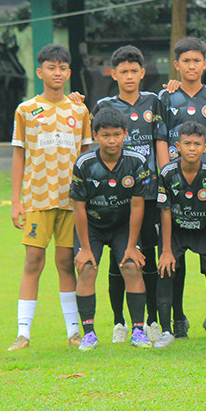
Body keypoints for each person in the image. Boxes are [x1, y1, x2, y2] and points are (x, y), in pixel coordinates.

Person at [7, 44, 92, 351]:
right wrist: (17, 201)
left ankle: (73, 333)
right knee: (33, 261)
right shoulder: (26, 110)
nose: (57, 73)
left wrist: (88, 198)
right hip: (37, 200)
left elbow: (85, 155)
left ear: (69, 73)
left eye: (63, 68)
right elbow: (19, 156)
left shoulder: (79, 111)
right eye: (51, 68)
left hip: (71, 202)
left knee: (66, 262)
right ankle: (23, 334)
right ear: (40, 72)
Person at [158, 37, 206, 338]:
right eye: (186, 61)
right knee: (171, 263)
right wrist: (168, 171)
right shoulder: (166, 97)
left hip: (205, 183)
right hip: (175, 182)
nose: (191, 66)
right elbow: (162, 137)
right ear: (176, 65)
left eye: (197, 60)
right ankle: (175, 321)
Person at [92, 45, 169, 344]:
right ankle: (118, 322)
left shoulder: (154, 101)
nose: (129, 76)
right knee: (118, 258)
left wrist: (164, 180)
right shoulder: (103, 105)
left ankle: (149, 320)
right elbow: (94, 144)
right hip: (118, 196)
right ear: (113, 74)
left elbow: (160, 141)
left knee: (145, 255)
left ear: (142, 73)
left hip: (148, 193)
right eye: (122, 71)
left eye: (134, 71)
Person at [70, 108, 152, 351]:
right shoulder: (84, 164)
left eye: (117, 134)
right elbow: (79, 208)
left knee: (131, 265)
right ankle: (89, 335)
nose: (112, 140)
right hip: (92, 226)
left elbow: (138, 204)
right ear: (96, 135)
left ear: (125, 134)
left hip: (122, 226)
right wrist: (85, 248)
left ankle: (138, 330)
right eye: (106, 135)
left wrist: (130, 246)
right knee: (86, 268)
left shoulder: (137, 162)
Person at [155, 121, 206, 350]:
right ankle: (167, 330)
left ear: (205, 147)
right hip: (175, 230)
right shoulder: (167, 173)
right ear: (177, 146)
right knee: (166, 270)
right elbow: (165, 212)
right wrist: (166, 251)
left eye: (197, 144)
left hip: (202, 230)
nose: (192, 148)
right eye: (187, 143)